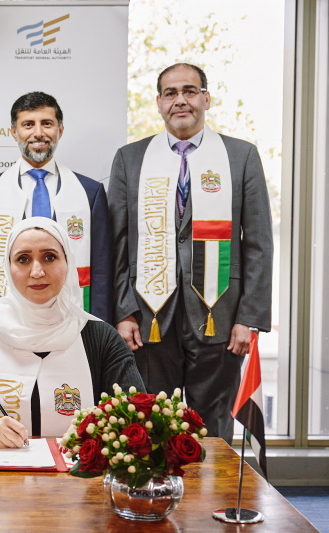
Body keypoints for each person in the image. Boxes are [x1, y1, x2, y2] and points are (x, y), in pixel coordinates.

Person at [108, 63, 273, 443]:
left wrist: (249, 318)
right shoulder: (131, 159)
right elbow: (116, 243)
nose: (180, 100)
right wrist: (123, 311)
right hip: (148, 318)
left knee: (213, 432)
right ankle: (155, 485)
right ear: (159, 103)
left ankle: (210, 486)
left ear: (206, 99)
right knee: (149, 428)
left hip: (221, 317)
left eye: (189, 91)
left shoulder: (241, 156)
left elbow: (259, 243)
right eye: (170, 93)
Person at [0, 217, 143, 448]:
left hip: (76, 468)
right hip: (0, 468)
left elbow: (137, 409)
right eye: (23, 259)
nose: (37, 271)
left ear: (68, 262)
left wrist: (99, 425)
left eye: (49, 257)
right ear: (8, 267)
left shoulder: (101, 337)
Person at [0, 92, 112, 335]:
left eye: (47, 124)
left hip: (70, 319)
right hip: (8, 321)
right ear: (14, 131)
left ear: (60, 130)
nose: (38, 133)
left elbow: (101, 272)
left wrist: (102, 334)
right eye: (28, 124)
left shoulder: (89, 192)